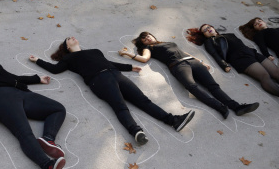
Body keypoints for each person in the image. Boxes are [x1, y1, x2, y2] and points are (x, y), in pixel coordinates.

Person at [29, 37, 195, 146]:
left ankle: (173, 121)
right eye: (68, 39)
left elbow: (109, 62)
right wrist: (37, 61)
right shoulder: (68, 58)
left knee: (144, 101)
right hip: (98, 80)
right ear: (66, 47)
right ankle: (135, 131)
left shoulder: (95, 51)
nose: (72, 38)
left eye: (73, 37)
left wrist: (129, 67)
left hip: (115, 74)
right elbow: (54, 69)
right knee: (120, 106)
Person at [120, 31, 259, 119]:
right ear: (143, 43)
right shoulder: (148, 48)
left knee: (213, 86)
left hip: (192, 61)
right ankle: (220, 107)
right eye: (144, 39)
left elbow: (185, 52)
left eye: (148, 36)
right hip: (178, 66)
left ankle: (237, 107)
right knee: (192, 87)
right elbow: (144, 59)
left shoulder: (167, 43)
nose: (148, 38)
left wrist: (200, 61)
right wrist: (128, 53)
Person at [187, 24, 279, 96]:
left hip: (252, 53)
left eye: (209, 27)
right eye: (205, 30)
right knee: (264, 76)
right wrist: (224, 65)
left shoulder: (229, 34)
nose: (208, 29)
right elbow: (215, 55)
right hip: (240, 59)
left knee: (276, 72)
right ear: (204, 35)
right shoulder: (209, 42)